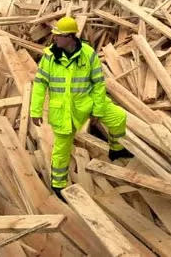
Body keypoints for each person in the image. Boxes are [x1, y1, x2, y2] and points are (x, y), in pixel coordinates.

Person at [30, 16, 133, 199]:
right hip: (63, 109)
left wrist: (98, 110)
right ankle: (58, 183)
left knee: (118, 117)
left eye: (59, 36)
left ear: (70, 36)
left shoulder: (88, 54)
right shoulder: (49, 57)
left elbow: (98, 83)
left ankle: (116, 149)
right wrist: (35, 110)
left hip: (87, 101)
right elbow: (39, 85)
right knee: (62, 149)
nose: (54, 38)